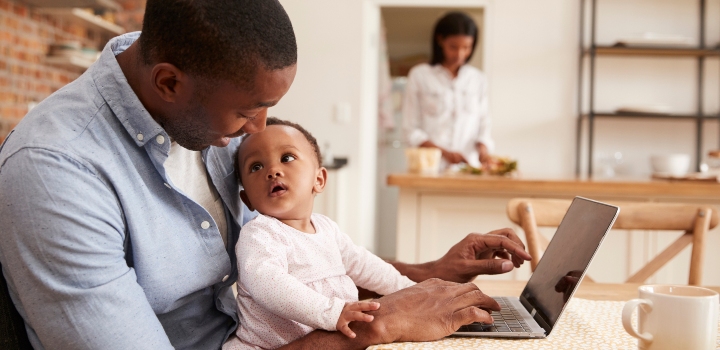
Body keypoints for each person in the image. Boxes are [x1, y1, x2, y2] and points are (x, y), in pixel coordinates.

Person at [0, 1, 531, 349]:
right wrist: (381, 325)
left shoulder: (199, 104)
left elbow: (301, 264)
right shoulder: (56, 174)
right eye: (248, 111)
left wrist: (431, 271)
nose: (259, 131)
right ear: (168, 83)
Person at [225, 118, 416, 349]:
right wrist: (331, 312)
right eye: (256, 166)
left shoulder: (327, 229)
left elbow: (366, 265)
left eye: (287, 158)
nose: (273, 171)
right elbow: (268, 284)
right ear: (247, 200)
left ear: (319, 179)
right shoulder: (259, 234)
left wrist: (411, 291)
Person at [403, 11, 492, 169]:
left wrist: (484, 153)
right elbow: (411, 130)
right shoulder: (420, 75)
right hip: (430, 168)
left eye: (466, 47)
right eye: (453, 47)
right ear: (440, 40)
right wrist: (444, 153)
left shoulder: (478, 80)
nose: (460, 54)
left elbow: (484, 125)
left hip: (469, 169)